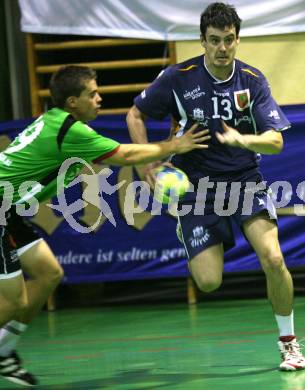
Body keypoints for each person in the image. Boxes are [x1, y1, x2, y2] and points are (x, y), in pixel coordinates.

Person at [0, 65, 209, 387]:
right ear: (72, 101)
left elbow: (112, 156)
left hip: (10, 211)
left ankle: (4, 352)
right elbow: (124, 154)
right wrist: (172, 146)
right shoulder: (70, 131)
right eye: (92, 94)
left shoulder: (55, 121)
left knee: (48, 273)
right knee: (14, 300)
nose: (100, 99)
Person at [127, 2, 305, 371]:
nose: (222, 48)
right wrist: (147, 163)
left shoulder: (252, 80)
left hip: (244, 181)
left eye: (229, 40)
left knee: (273, 258)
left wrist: (243, 140)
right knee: (208, 282)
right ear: (203, 41)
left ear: (238, 40)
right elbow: (135, 113)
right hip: (195, 189)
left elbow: (275, 141)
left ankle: (289, 343)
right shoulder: (179, 77)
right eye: (214, 41)